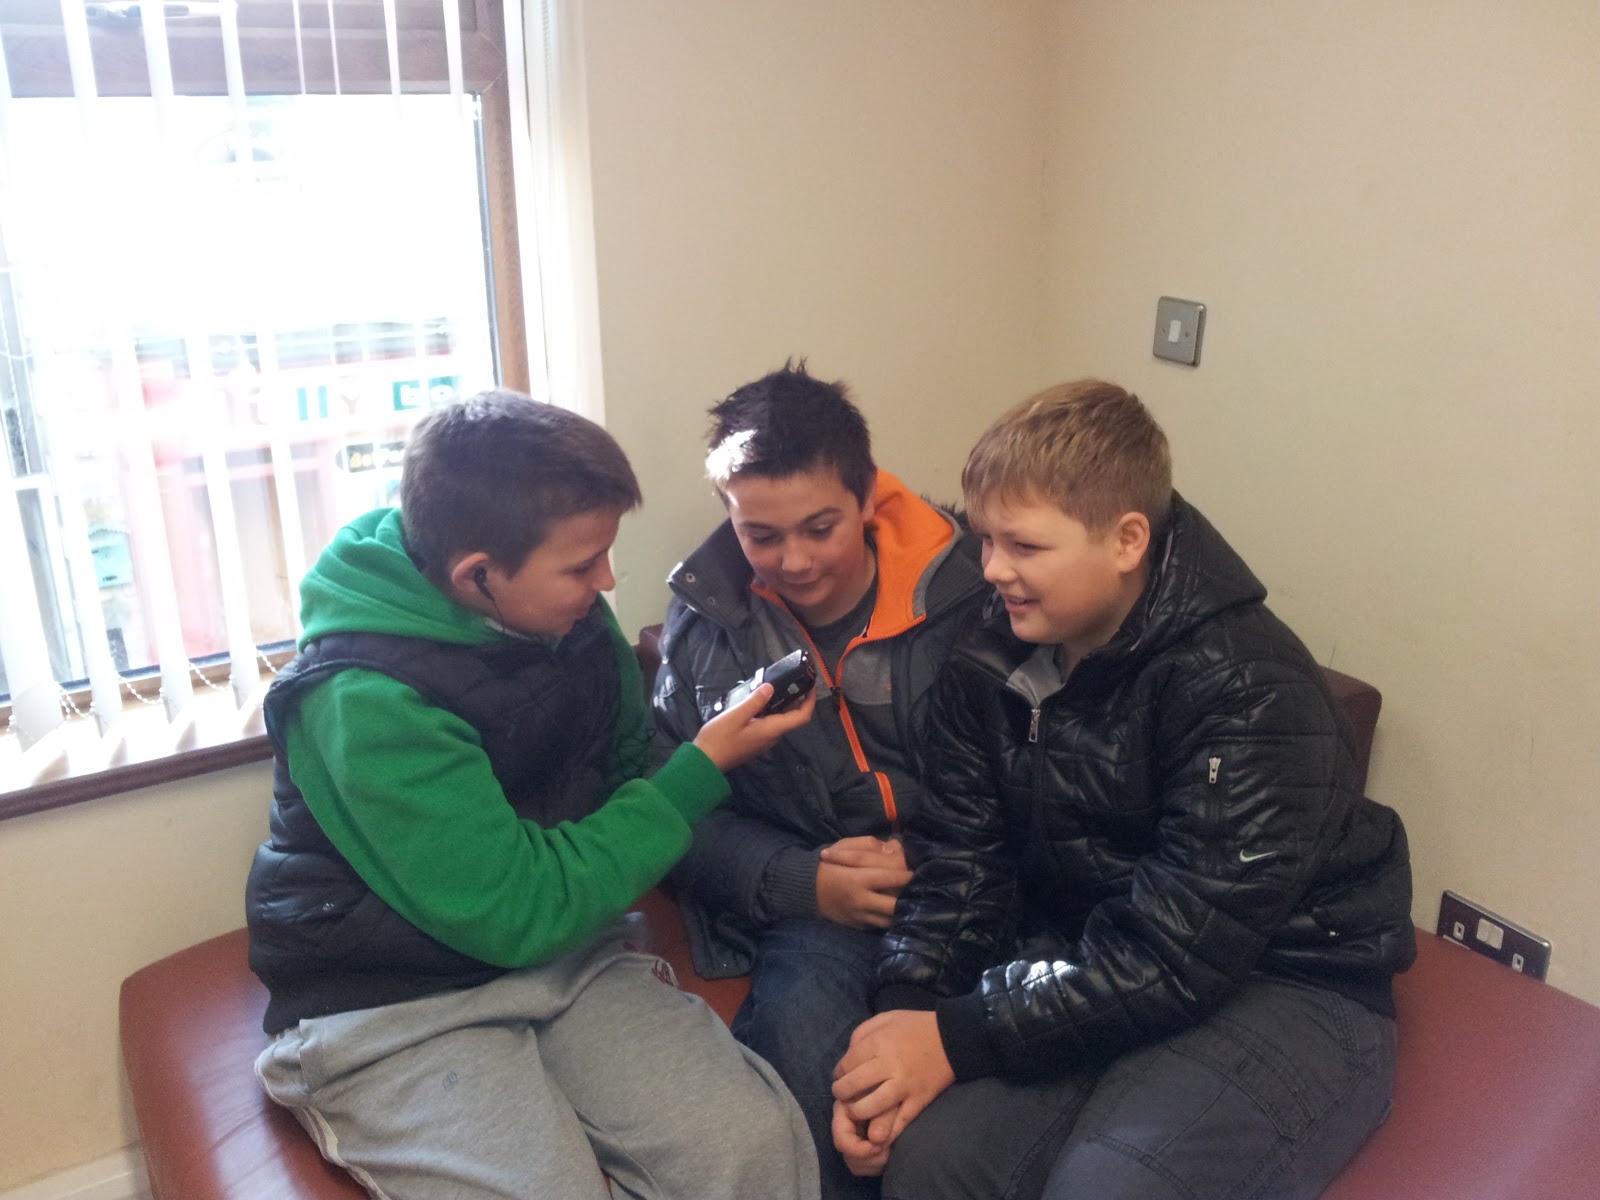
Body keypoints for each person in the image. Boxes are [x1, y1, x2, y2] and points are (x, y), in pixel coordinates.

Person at [831, 380, 1416, 1200]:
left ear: (1127, 540)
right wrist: (905, 1023)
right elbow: (962, 859)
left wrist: (956, 1040)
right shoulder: (989, 653)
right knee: (928, 1160)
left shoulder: (1248, 687)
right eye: (985, 538)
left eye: (1024, 546)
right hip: (1096, 951)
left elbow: (1180, 948)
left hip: (1287, 976)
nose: (992, 569)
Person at [245, 389, 821, 1200]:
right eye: (582, 566)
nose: (606, 581)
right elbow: (517, 910)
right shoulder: (361, 701)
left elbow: (621, 778)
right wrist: (700, 770)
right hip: (388, 997)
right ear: (477, 575)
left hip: (567, 951)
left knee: (750, 1147)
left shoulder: (572, 622)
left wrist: (705, 753)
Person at [652, 361, 990, 1198]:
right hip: (818, 908)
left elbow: (1049, 765)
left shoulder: (977, 591)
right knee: (803, 1073)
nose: (794, 561)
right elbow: (666, 812)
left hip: (982, 882)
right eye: (760, 535)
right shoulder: (704, 627)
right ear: (728, 514)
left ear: (869, 497)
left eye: (820, 527)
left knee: (971, 1114)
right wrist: (802, 883)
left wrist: (931, 853)